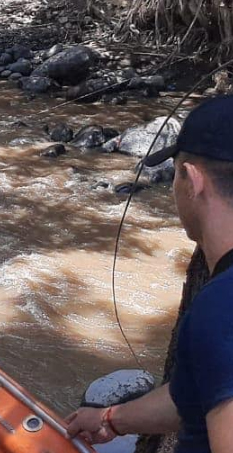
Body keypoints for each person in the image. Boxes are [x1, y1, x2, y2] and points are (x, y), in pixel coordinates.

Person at [65, 96, 233, 453]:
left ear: (192, 180)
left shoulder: (221, 309)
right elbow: (199, 393)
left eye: (174, 173)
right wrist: (110, 419)